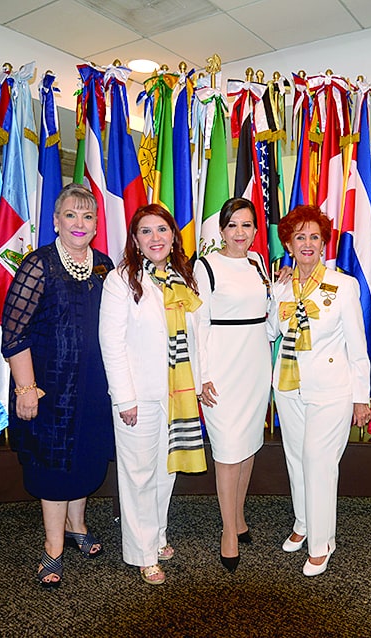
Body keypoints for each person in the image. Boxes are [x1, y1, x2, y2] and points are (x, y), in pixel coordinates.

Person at [1, 183, 115, 589]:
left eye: (87, 216)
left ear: (96, 225)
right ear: (55, 221)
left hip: (94, 387)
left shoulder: (104, 266)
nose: (79, 223)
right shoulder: (39, 265)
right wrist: (25, 388)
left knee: (84, 458)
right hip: (48, 389)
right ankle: (53, 547)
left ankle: (77, 524)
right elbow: (14, 332)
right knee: (53, 466)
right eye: (71, 214)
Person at [99, 204, 205, 586]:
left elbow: (197, 335)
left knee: (166, 471)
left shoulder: (183, 277)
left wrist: (201, 381)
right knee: (139, 476)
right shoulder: (121, 281)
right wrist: (124, 398)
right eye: (146, 231)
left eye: (162, 229)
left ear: (173, 236)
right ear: (135, 239)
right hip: (139, 396)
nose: (155, 237)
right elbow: (111, 343)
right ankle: (142, 553)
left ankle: (157, 536)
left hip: (177, 393)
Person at [268, 205, 371, 577]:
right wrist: (272, 293)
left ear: (324, 242)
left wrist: (361, 397)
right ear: (288, 245)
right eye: (300, 237)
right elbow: (270, 331)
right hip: (289, 387)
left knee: (318, 461)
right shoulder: (281, 286)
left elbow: (358, 346)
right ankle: (303, 522)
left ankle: (322, 543)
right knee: (296, 459)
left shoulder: (344, 286)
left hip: (331, 390)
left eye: (315, 236)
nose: (307, 243)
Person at [193, 197, 270, 573]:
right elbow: (198, 325)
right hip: (222, 369)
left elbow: (268, 313)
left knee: (248, 444)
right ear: (221, 230)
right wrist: (201, 376)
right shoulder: (205, 266)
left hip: (256, 365)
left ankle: (238, 517)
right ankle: (227, 531)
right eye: (233, 225)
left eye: (247, 225)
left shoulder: (258, 263)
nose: (240, 232)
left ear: (255, 230)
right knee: (226, 449)